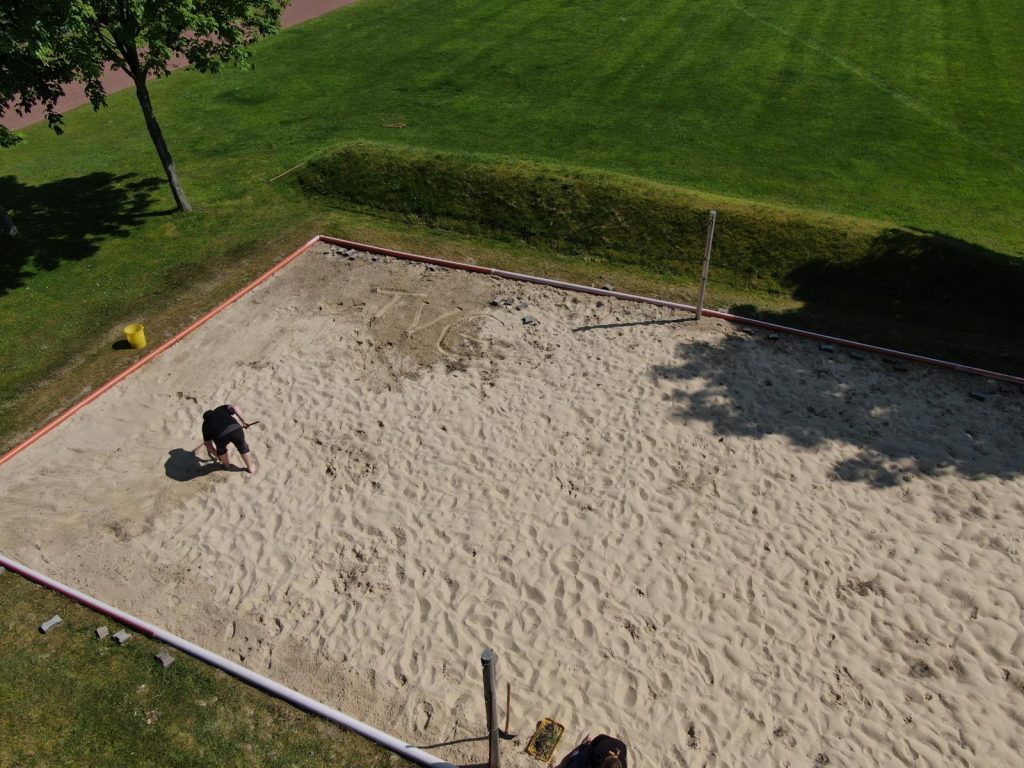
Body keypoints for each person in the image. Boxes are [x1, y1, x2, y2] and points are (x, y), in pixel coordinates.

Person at [200, 404, 256, 474]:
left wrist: (218, 456)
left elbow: (209, 446)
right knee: (242, 446)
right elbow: (235, 407)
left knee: (221, 450)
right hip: (235, 428)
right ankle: (250, 467)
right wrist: (243, 421)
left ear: (205, 419)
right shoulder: (220, 409)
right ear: (213, 411)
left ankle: (226, 465)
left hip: (220, 436)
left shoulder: (205, 424)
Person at [555, 733, 628, 768]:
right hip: (596, 746)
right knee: (575, 761)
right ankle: (585, 743)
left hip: (618, 746)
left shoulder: (623, 765)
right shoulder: (599, 751)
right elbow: (598, 739)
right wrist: (588, 745)